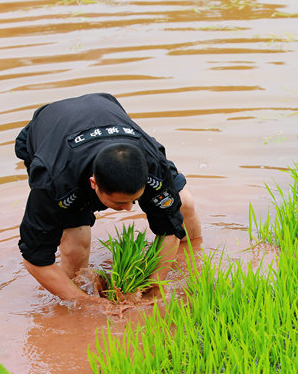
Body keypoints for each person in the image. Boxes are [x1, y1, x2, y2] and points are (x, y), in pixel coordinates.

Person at [14, 92, 201, 305]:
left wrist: (153, 285)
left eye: (134, 200)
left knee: (183, 203)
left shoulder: (152, 162)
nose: (130, 209)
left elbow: (169, 231)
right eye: (120, 203)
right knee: (76, 242)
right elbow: (34, 259)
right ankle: (72, 298)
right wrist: (88, 303)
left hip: (107, 118)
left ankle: (194, 252)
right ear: (94, 184)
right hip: (52, 138)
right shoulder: (54, 181)